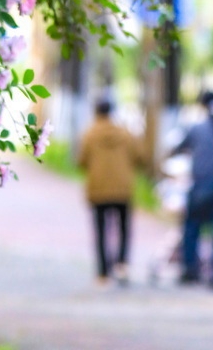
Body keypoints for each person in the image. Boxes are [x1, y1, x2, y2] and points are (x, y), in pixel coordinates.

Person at [170, 90, 213, 288]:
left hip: (200, 187)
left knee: (192, 228)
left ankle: (191, 270)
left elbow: (179, 148)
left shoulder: (197, 129)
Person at [78, 98, 145, 284]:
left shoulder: (89, 134)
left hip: (98, 188)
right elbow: (139, 157)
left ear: (96, 112)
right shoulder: (126, 134)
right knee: (123, 228)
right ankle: (122, 264)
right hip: (123, 188)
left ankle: (102, 273)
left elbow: (81, 161)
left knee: (101, 230)